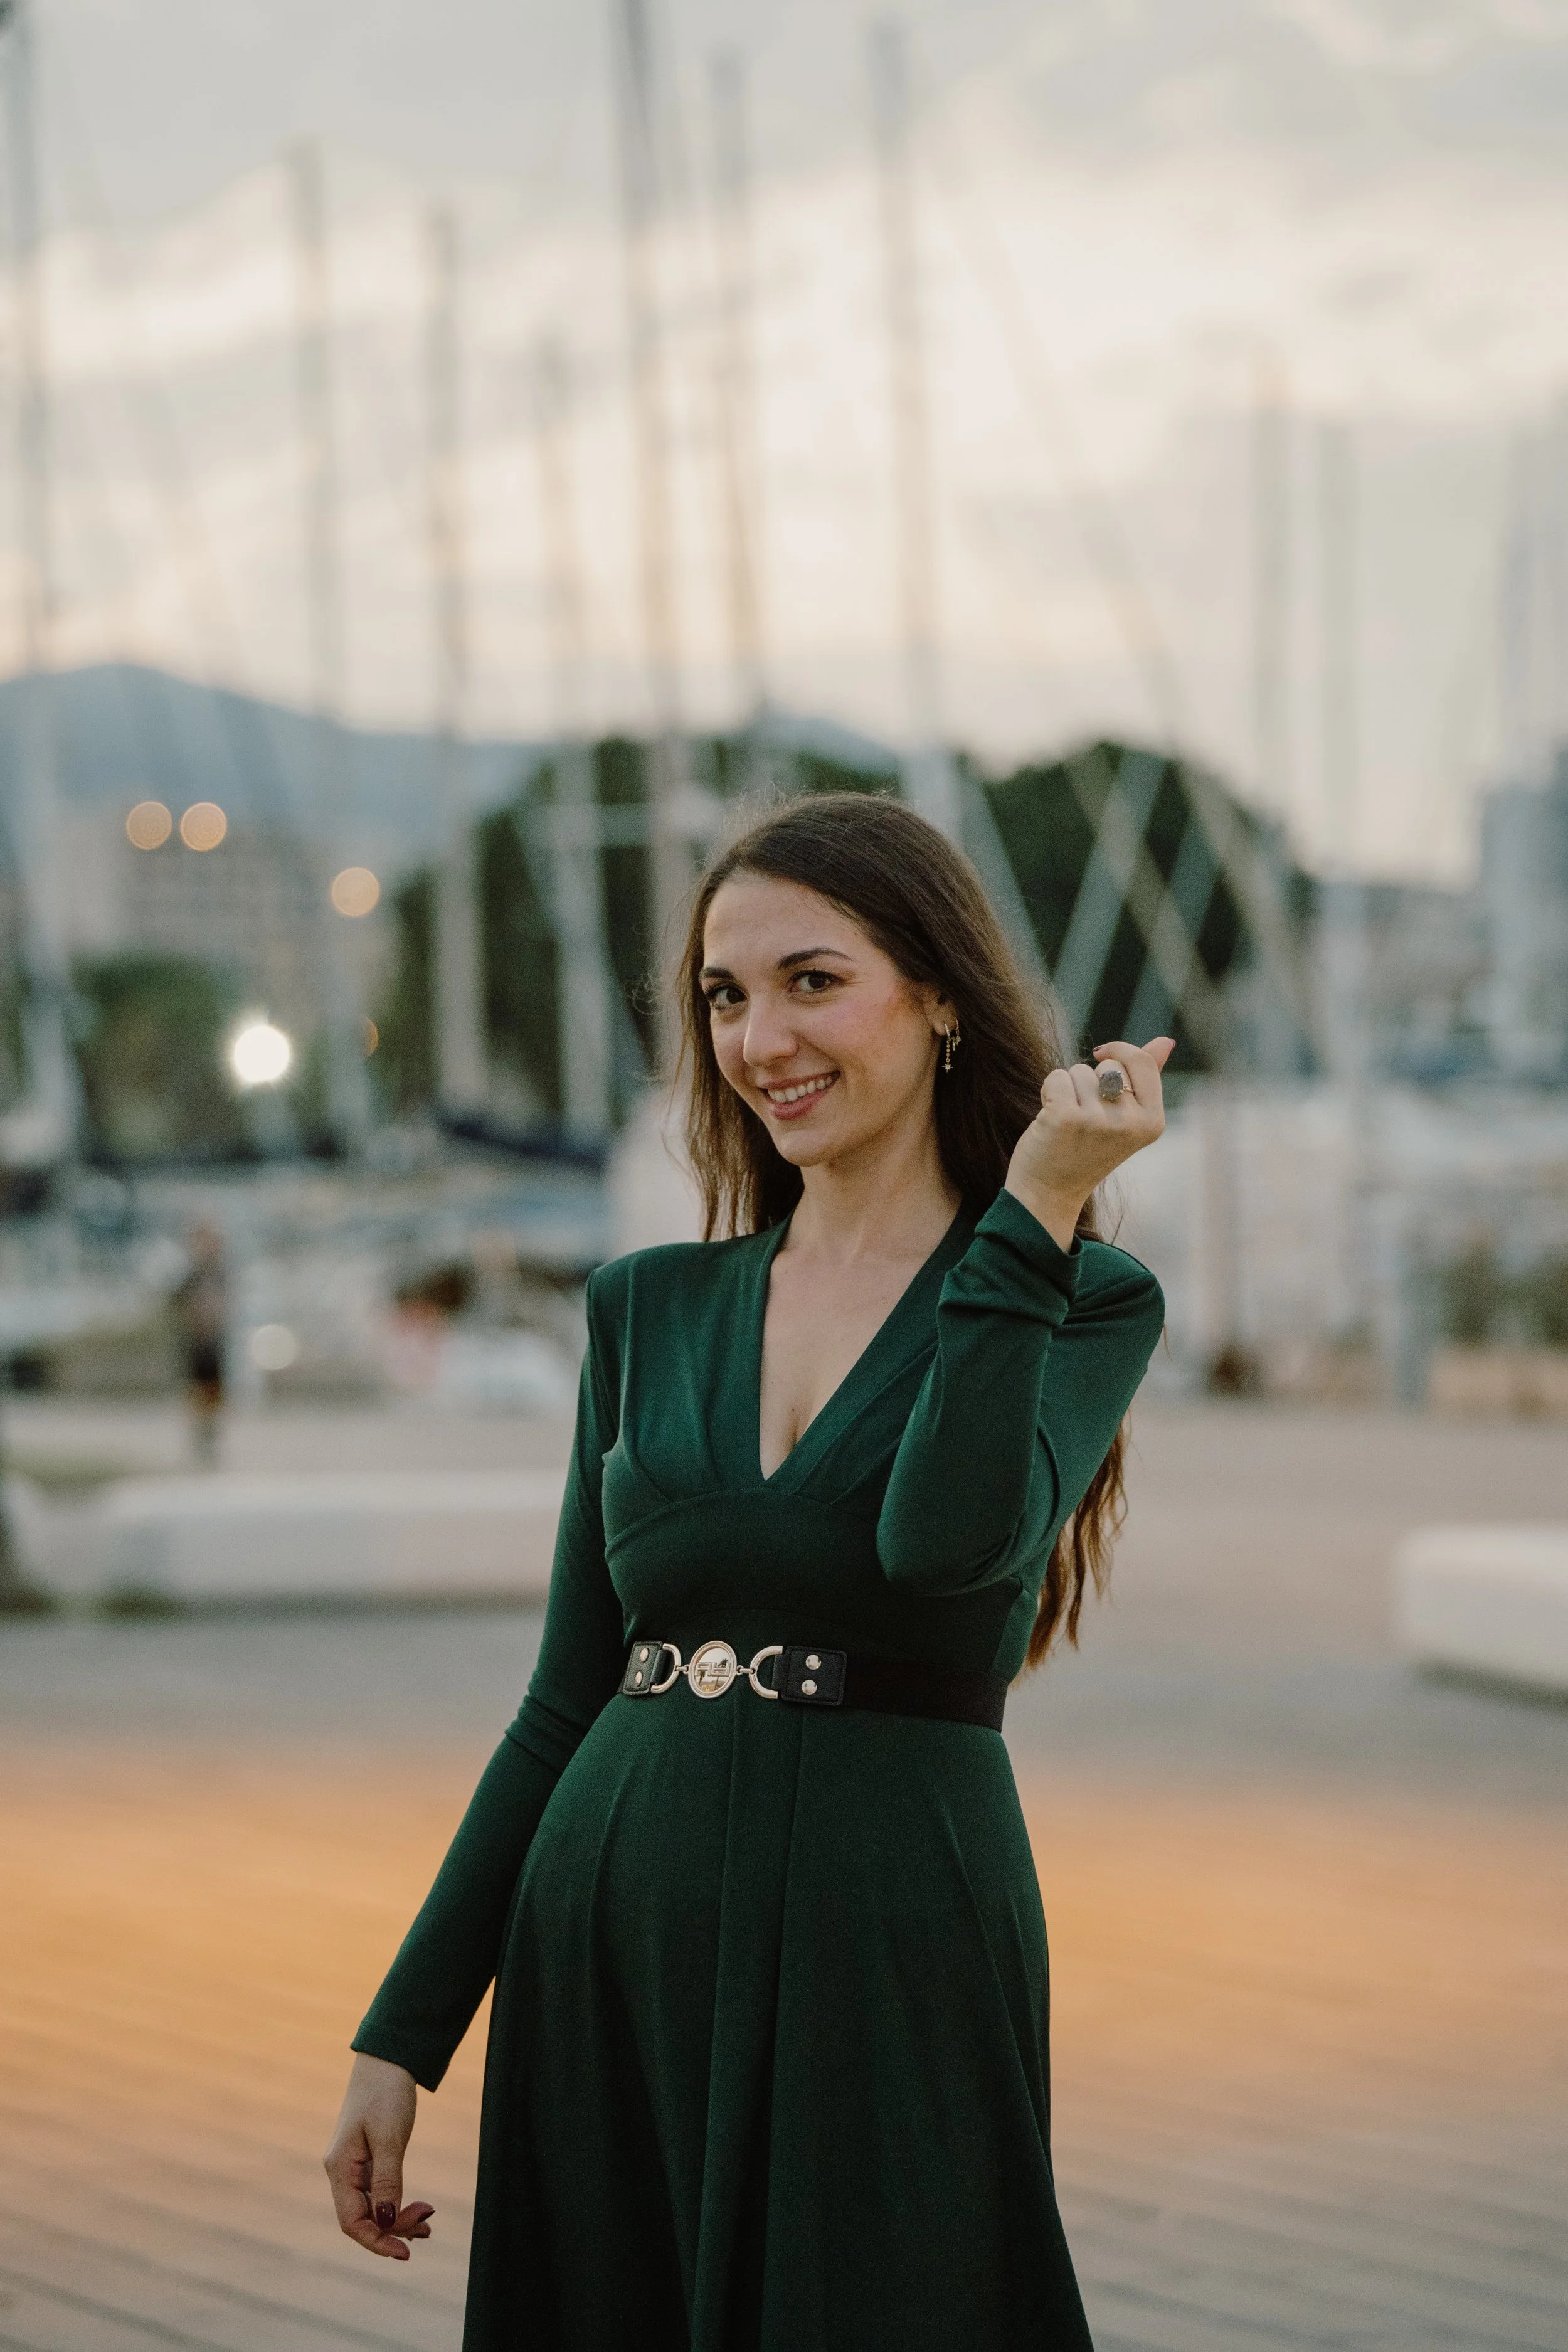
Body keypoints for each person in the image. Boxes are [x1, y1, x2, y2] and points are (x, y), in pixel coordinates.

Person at [326, 794, 1172, 2350]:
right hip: (612, 1923)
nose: (760, 1035)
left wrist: (1034, 1212)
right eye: (724, 994)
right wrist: (406, 2028)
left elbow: (943, 1547)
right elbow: (564, 1694)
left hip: (887, 1911)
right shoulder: (644, 1307)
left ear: (935, 994)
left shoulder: (1087, 1295)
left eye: (811, 979)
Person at [172, 1221, 228, 1465]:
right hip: (196, 1341)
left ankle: (210, 1434)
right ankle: (200, 1435)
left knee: (214, 1391)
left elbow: (224, 1306)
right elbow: (180, 1307)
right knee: (197, 1391)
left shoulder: (219, 1275)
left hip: (214, 1341)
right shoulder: (192, 1277)